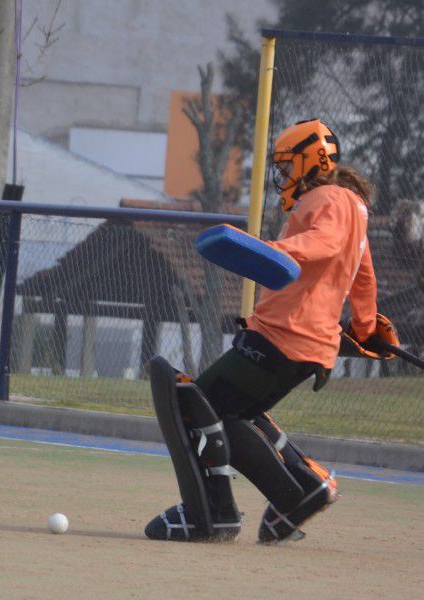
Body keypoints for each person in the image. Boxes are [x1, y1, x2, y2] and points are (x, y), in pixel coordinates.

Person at [144, 119, 400, 543]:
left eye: (286, 166)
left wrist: (274, 250)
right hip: (303, 341)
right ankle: (303, 487)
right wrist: (367, 327)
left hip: (284, 336)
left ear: (309, 160)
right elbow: (364, 275)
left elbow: (325, 244)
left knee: (197, 405)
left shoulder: (328, 198)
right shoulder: (352, 205)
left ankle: (213, 512)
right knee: (230, 412)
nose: (282, 177)